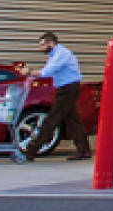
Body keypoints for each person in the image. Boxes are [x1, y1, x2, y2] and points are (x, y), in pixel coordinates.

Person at [19, 32, 92, 161]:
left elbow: (47, 71)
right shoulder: (55, 54)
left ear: (50, 43)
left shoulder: (61, 54)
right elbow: (48, 71)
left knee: (52, 118)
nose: (40, 48)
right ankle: (84, 150)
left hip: (67, 89)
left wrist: (30, 72)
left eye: (42, 45)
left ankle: (31, 151)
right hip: (67, 88)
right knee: (73, 121)